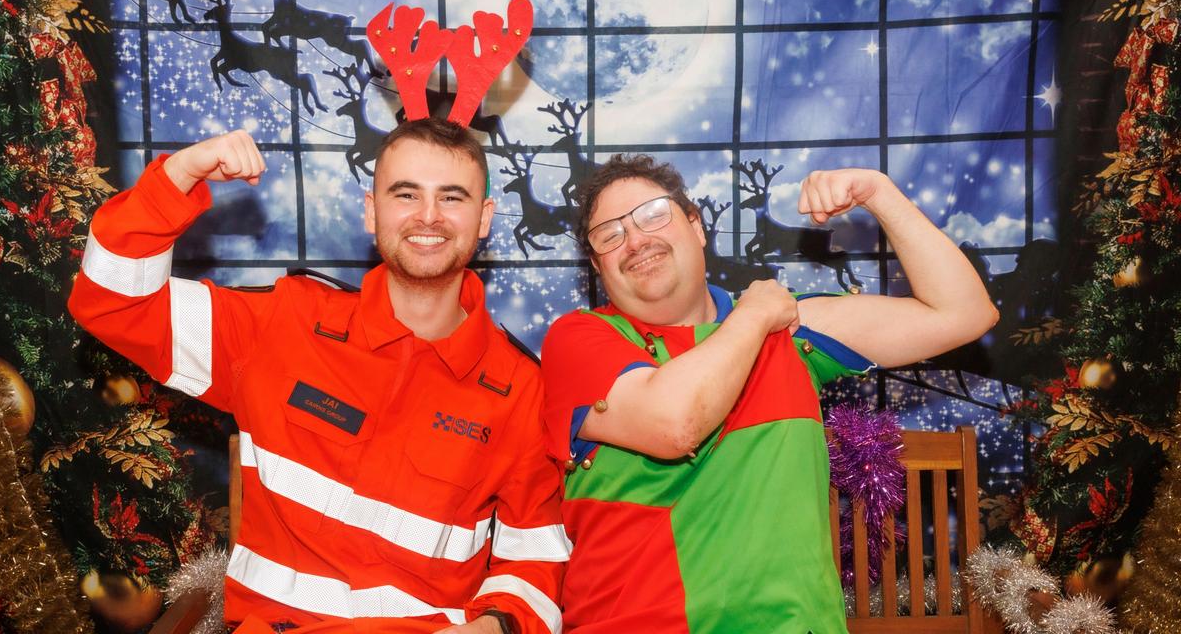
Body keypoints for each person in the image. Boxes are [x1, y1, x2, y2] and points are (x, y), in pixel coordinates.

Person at [69, 120, 570, 634]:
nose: (428, 216)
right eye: (406, 193)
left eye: (452, 197)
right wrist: (177, 175)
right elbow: (110, 302)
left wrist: (493, 627)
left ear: (484, 218)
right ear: (372, 212)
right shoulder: (285, 324)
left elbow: (536, 558)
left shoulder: (520, 389)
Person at [540, 153, 999, 633]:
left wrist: (879, 193)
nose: (635, 240)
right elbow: (676, 424)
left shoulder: (790, 328)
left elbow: (964, 313)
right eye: (609, 235)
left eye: (653, 214)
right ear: (597, 265)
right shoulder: (579, 339)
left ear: (696, 225)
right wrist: (755, 315)